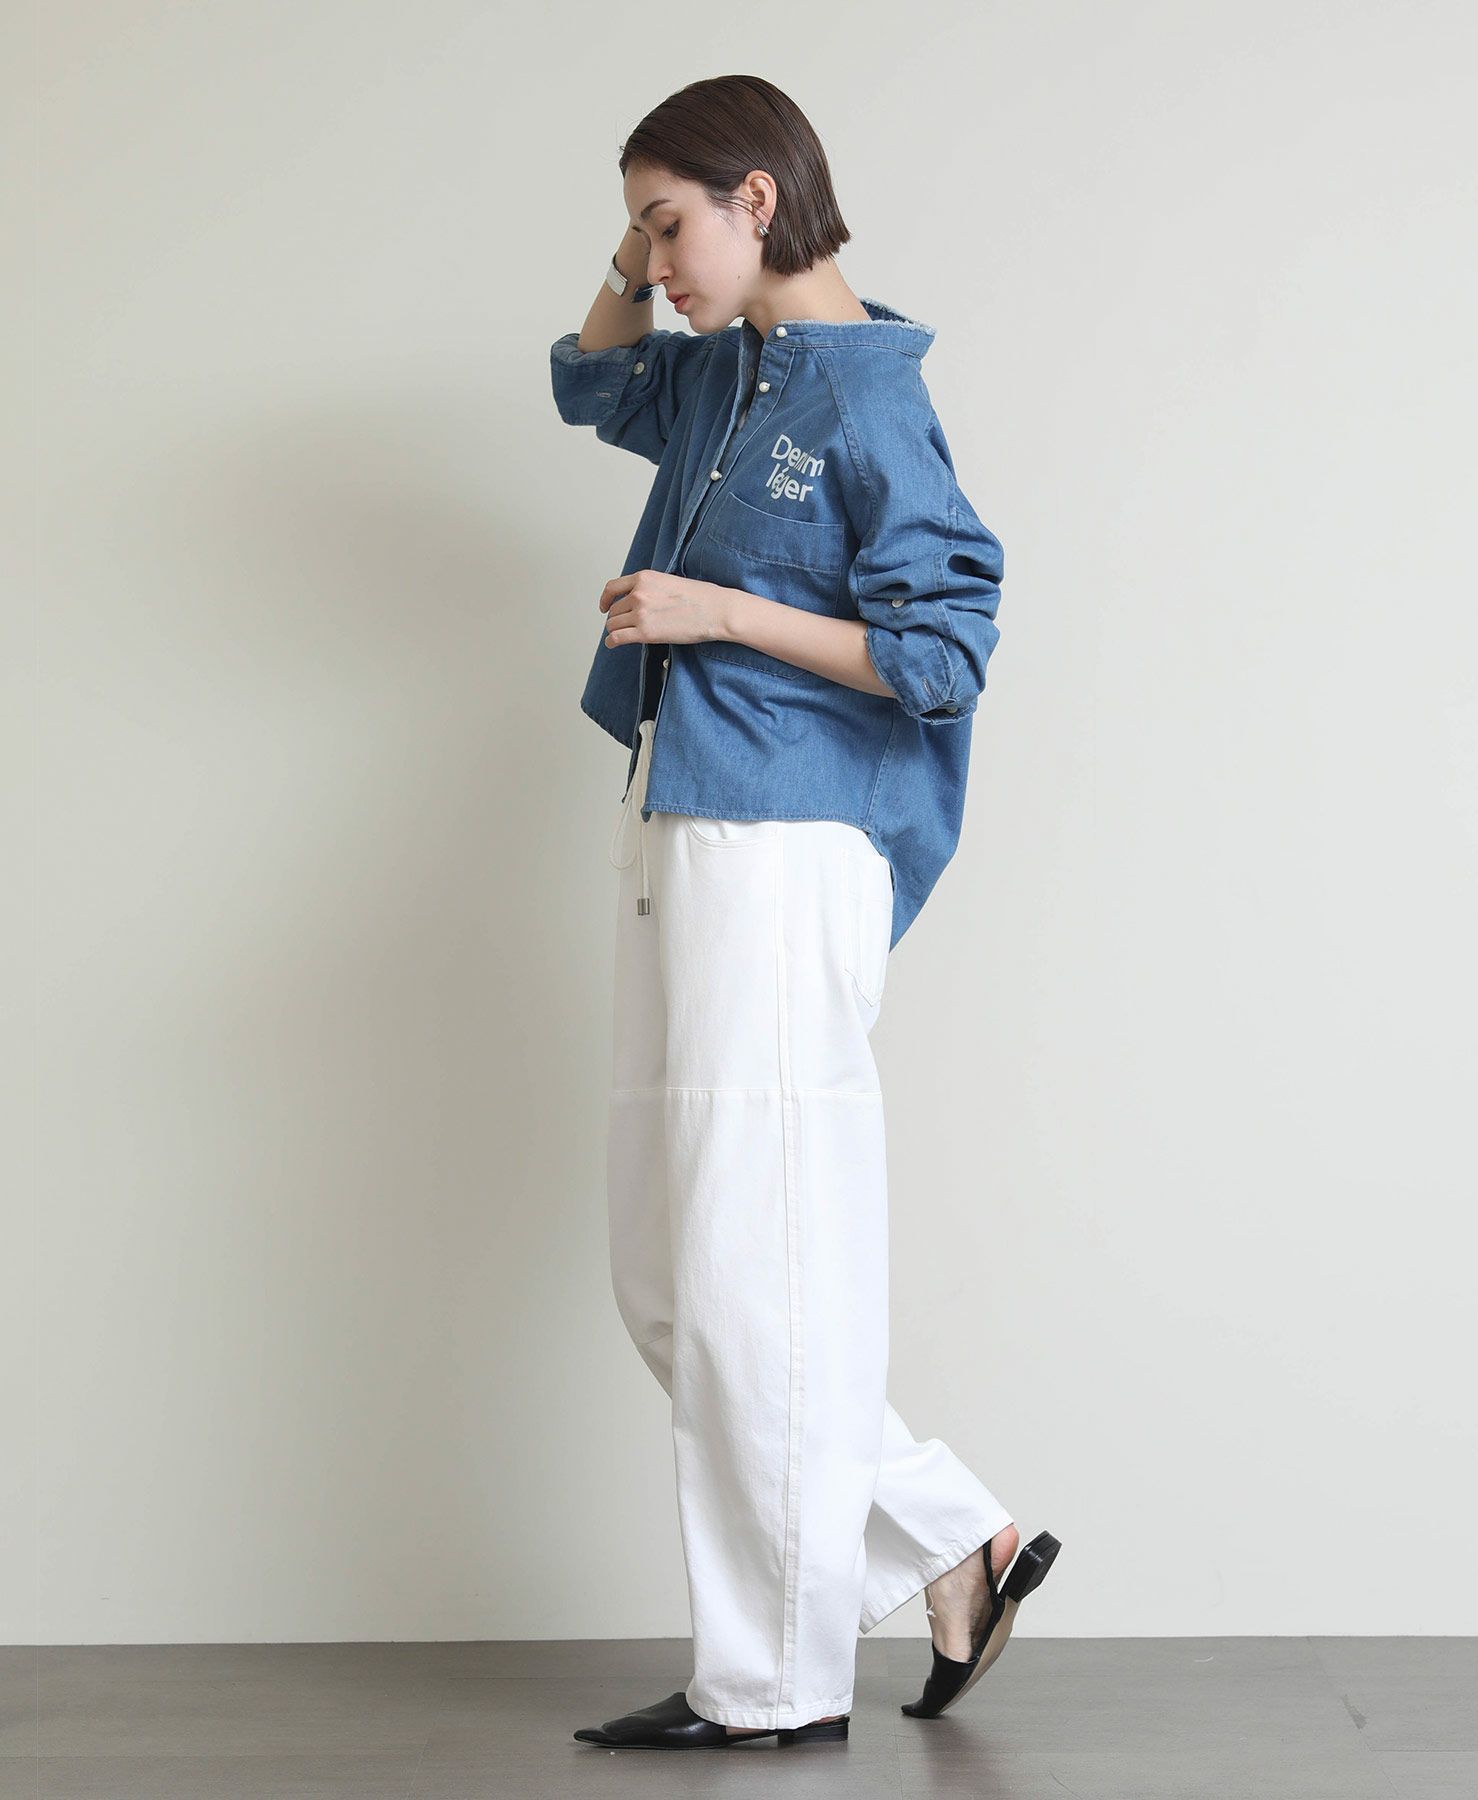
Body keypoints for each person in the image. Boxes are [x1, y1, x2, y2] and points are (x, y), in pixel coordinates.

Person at [549, 75, 1060, 1753]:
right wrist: (632, 257)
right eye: (638, 231)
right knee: (666, 1273)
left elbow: (941, 652)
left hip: (784, 845)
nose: (653, 264)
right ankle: (945, 1534)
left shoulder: (866, 396)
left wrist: (716, 610)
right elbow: (587, 380)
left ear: (757, 200)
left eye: (672, 224)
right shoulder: (720, 366)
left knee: (749, 1268)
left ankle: (771, 1682)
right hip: (685, 813)